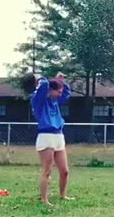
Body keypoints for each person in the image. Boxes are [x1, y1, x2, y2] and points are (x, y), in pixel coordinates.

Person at [31, 72, 73, 206]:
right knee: (47, 170)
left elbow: (66, 94)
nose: (60, 94)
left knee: (64, 171)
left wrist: (62, 82)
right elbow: (43, 84)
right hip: (46, 136)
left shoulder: (55, 101)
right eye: (58, 92)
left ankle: (63, 195)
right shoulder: (38, 100)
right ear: (51, 90)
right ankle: (44, 199)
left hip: (59, 136)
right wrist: (45, 78)